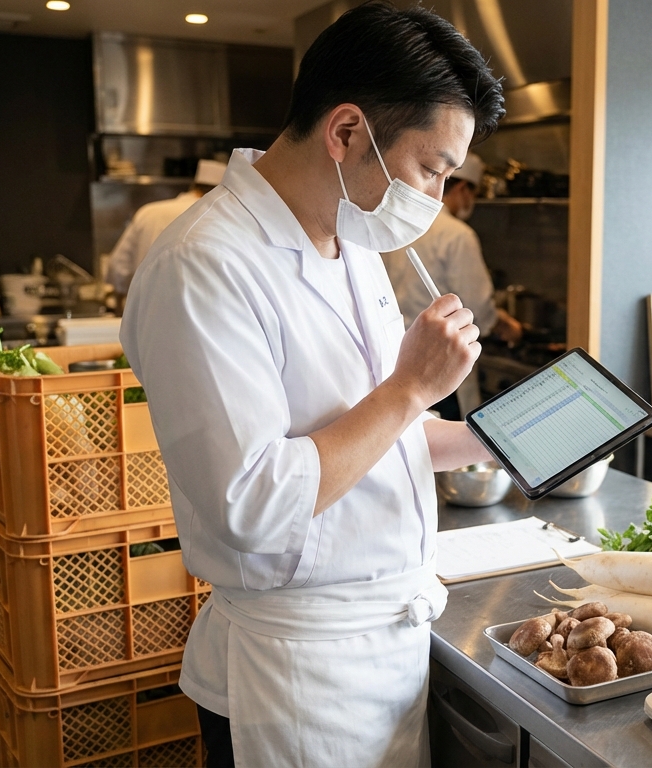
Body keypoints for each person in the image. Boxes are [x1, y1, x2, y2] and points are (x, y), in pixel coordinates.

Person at [118, 3, 504, 766]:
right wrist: (409, 387)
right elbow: (252, 504)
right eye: (431, 169)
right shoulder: (205, 265)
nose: (434, 198)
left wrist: (489, 442)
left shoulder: (350, 241)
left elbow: (370, 437)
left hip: (385, 649)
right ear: (347, 132)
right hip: (293, 677)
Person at [384, 152, 523, 418]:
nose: (471, 203)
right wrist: (501, 323)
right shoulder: (458, 234)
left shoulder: (399, 226)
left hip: (397, 358)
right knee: (447, 436)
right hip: (442, 362)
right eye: (473, 194)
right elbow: (477, 308)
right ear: (461, 189)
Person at [104, 158, 227, 297]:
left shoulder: (148, 212)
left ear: (194, 186)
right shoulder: (216, 217)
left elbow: (118, 269)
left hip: (147, 302)